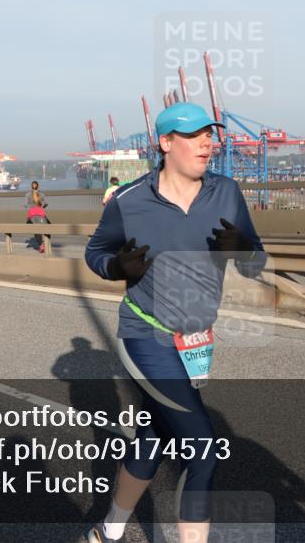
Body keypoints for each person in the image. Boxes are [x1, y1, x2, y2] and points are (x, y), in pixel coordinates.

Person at [85, 102, 266, 543]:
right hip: (145, 334)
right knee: (203, 451)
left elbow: (255, 264)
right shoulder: (128, 201)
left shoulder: (227, 192)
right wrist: (117, 268)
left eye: (210, 133)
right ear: (165, 143)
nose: (208, 141)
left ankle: (107, 531)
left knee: (151, 445)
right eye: (194, 134)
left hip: (196, 341)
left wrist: (243, 248)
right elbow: (96, 253)